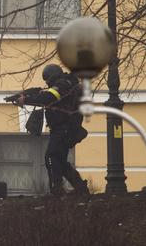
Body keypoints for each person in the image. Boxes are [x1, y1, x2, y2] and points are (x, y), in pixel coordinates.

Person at [15, 64, 89, 196]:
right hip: (63, 128)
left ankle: (56, 189)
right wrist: (25, 95)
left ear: (52, 77)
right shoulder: (67, 84)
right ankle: (80, 187)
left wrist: (26, 99)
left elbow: (48, 97)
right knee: (59, 160)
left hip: (63, 128)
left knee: (50, 156)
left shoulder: (63, 84)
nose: (47, 83)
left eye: (48, 80)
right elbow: (44, 94)